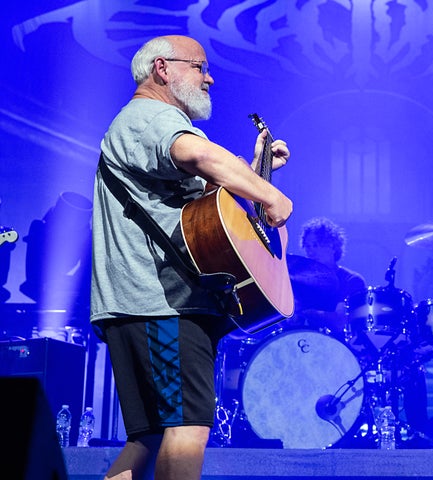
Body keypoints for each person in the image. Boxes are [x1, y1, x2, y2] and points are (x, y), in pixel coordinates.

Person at [90, 35, 292, 480]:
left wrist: (254, 169)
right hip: (161, 304)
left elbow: (203, 202)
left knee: (150, 437)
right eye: (199, 67)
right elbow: (197, 154)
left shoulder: (140, 125)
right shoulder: (151, 117)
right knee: (186, 430)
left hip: (140, 305)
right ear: (162, 68)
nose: (210, 77)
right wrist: (268, 193)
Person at [290, 216, 366, 337]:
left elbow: (340, 322)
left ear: (332, 246)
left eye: (316, 245)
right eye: (308, 246)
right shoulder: (299, 279)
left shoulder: (351, 280)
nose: (311, 251)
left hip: (335, 346)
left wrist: (305, 313)